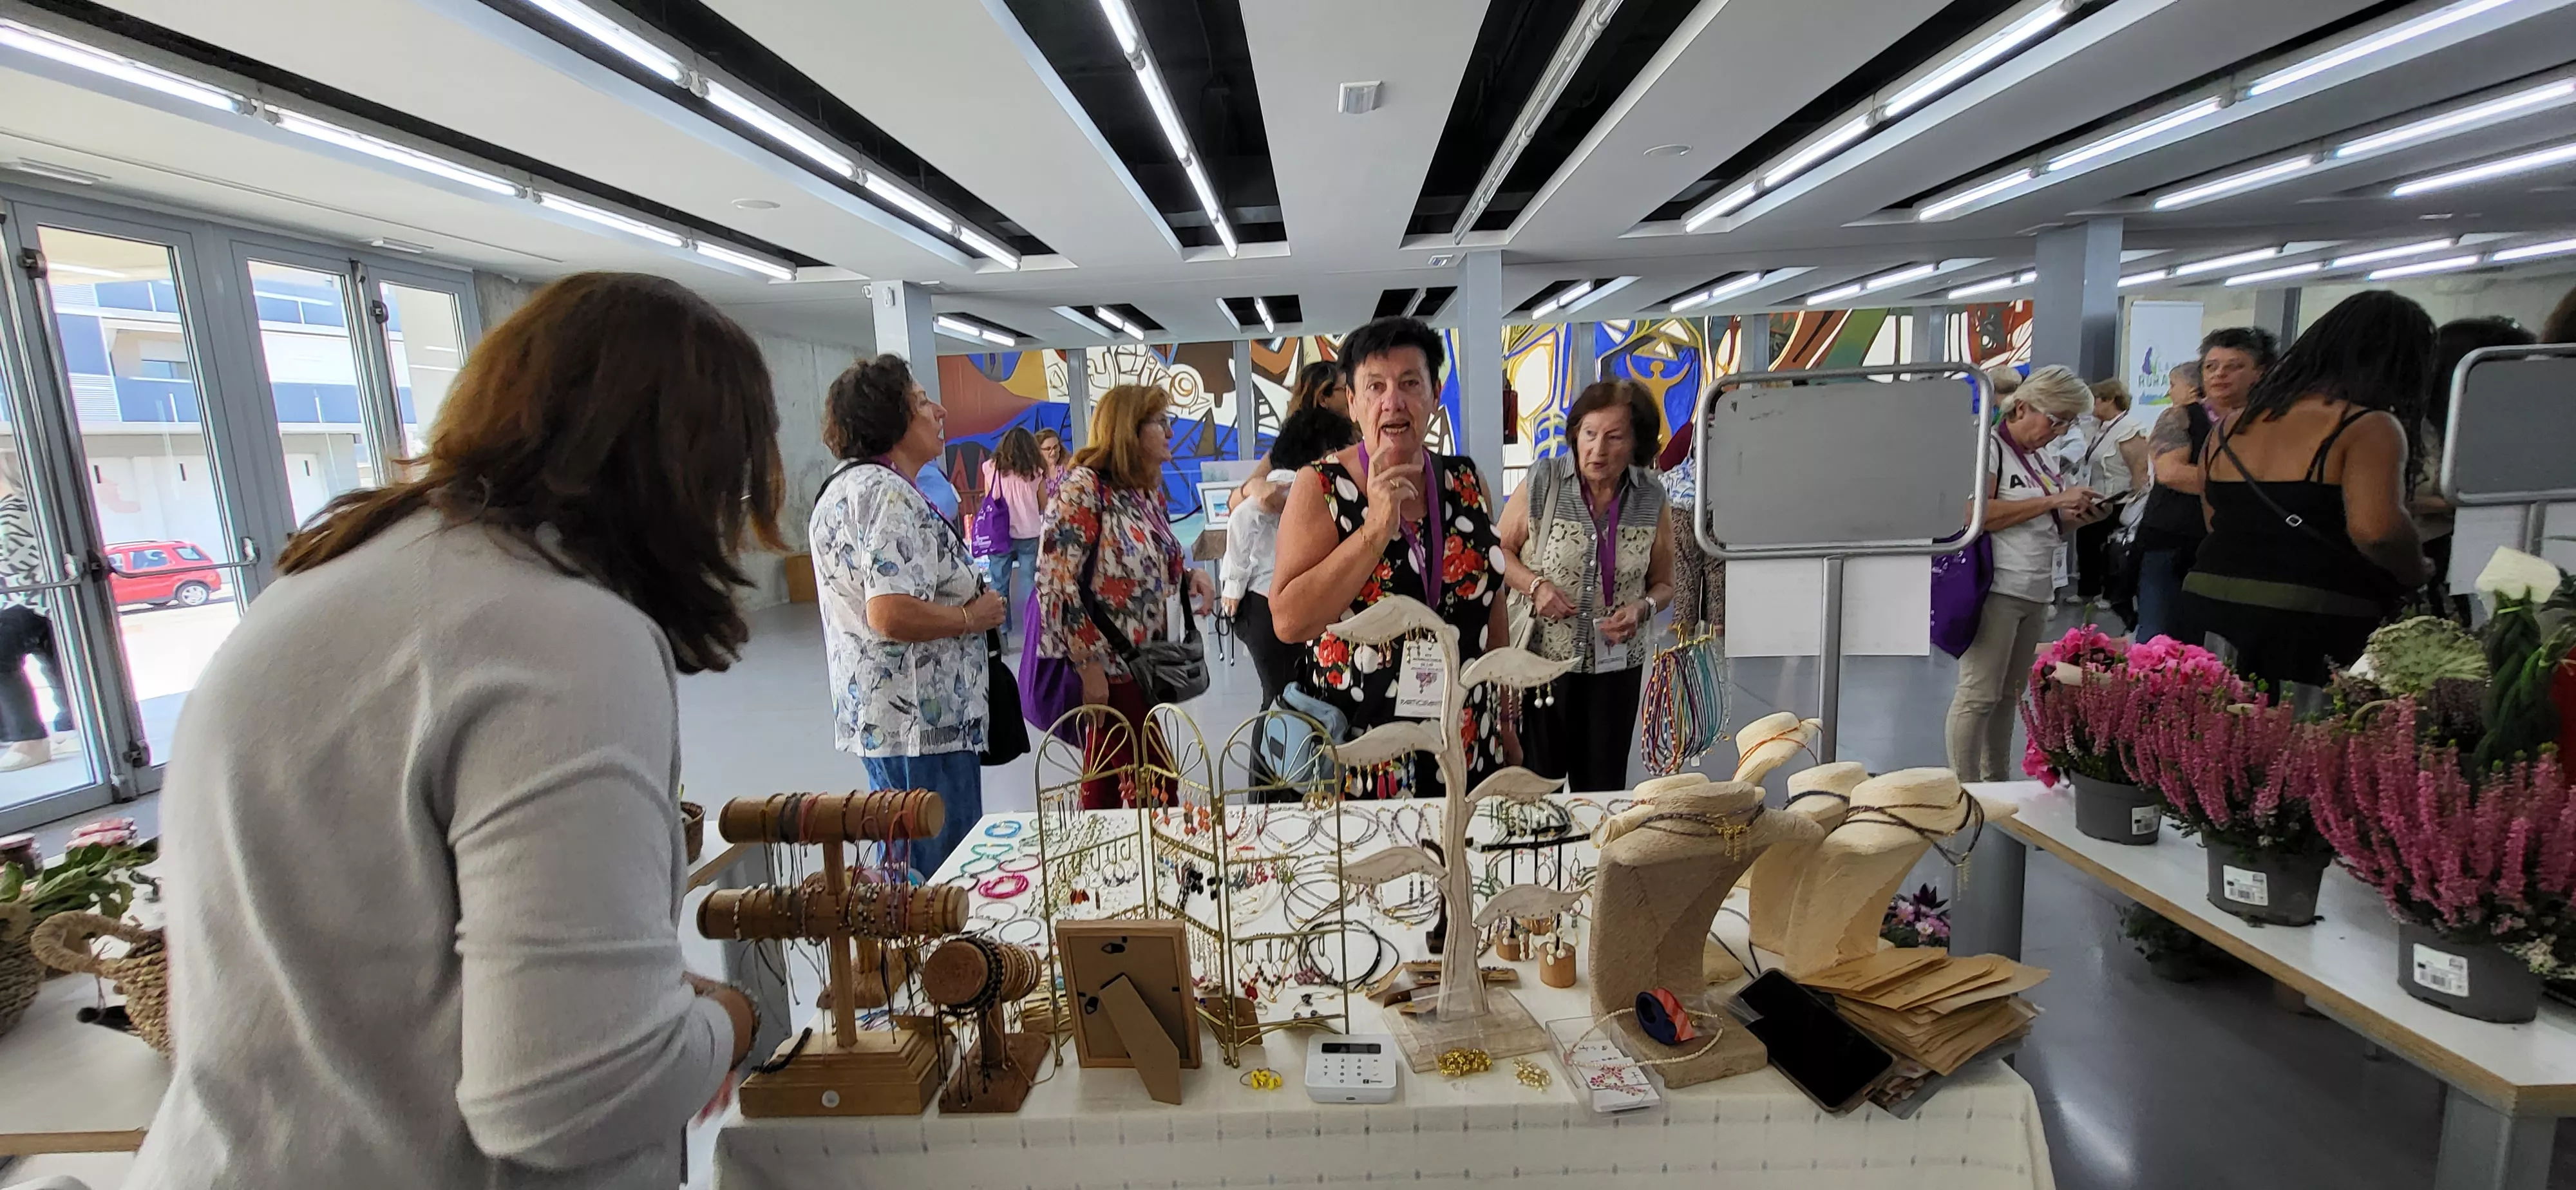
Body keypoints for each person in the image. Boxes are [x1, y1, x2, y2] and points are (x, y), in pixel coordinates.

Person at [131, 273, 764, 1189]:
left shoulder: (329, 579)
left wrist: (645, 1003)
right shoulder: (559, 630)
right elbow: (568, 1100)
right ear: (688, 468)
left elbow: (385, 954)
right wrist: (730, 1023)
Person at [1271, 317, 1515, 796]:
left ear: (1435, 393)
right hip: (1364, 747)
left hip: (1464, 733)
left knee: (1461, 864)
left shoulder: (1466, 481)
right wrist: (1375, 531)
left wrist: (1507, 717)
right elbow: (1288, 621)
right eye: (1375, 386)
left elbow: (1494, 601)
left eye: (1409, 383)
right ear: (1355, 403)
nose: (1393, 401)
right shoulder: (1320, 486)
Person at [2177, 292, 2434, 688]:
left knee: (2217, 732)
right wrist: (2416, 569)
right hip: (2316, 613)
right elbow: (2376, 531)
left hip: (2210, 600)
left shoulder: (2231, 425)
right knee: (2304, 739)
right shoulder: (2367, 426)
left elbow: (2217, 519)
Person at [811, 355, 1006, 877]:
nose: (939, 410)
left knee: (905, 865)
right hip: (923, 725)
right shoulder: (887, 496)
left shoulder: (843, 489)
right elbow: (889, 613)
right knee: (942, 873)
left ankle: (914, 958)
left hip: (888, 721)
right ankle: (940, 960)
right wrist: (973, 617)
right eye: (922, 402)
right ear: (890, 418)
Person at [1035, 383, 1213, 808]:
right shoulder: (1083, 488)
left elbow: (1149, 557)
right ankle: (1122, 867)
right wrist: (1088, 665)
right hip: (1111, 669)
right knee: (1143, 788)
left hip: (1146, 664)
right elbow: (1055, 584)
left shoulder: (1145, 490)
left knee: (1131, 783)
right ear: (1129, 430)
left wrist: (1188, 577)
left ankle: (1119, 866)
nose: (1170, 432)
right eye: (1161, 423)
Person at [1497, 379, 1674, 793]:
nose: (1598, 449)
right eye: (1590, 434)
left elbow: (1665, 584)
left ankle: (1596, 856)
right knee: (1539, 785)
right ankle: (1541, 857)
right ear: (1575, 433)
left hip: (1616, 666)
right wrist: (1535, 585)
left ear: (1636, 443)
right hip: (1543, 663)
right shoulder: (1544, 482)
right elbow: (1498, 552)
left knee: (1604, 784)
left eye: (1614, 437)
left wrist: (1642, 609)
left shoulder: (1651, 498)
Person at [1945, 366, 2098, 782]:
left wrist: (2077, 515)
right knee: (1979, 693)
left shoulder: (2043, 457)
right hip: (1998, 586)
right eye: (2056, 419)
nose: (2059, 430)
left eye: (2068, 422)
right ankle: (1964, 785)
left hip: (2036, 586)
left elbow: (2045, 521)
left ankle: (1996, 779)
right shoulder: (1990, 448)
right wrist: (2053, 502)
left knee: (2009, 696)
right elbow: (1978, 515)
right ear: (2024, 407)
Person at [2130, 328, 2277, 641]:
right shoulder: (2181, 417)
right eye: (2211, 366)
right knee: (2160, 642)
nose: (2220, 374)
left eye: (2234, 366)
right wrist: (2255, 486)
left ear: (2259, 372)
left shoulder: (2273, 423)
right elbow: (2171, 472)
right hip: (2172, 544)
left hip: (2243, 548)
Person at [1221, 404, 1356, 709]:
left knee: (1282, 698)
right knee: (1283, 700)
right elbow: (1241, 518)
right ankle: (1272, 756)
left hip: (1267, 604)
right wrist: (1233, 583)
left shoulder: (1294, 480)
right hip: (1266, 606)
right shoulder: (1292, 483)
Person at [2417, 317, 2534, 618]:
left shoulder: (2493, 421)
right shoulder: (2413, 426)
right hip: (2423, 560)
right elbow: (2395, 497)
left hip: (2482, 551)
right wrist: (2459, 504)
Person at [0, 471, 71, 771]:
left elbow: (14, 565)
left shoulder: (12, 512)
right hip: (50, 602)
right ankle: (72, 726)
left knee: (4, 663)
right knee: (55, 662)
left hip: (23, 601)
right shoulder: (37, 507)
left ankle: (28, 739)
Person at [2075, 378, 2150, 619]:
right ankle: (2087, 589)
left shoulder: (2128, 427)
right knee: (2086, 542)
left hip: (2120, 498)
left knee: (2112, 548)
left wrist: (2138, 501)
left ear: (2110, 400)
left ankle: (2111, 593)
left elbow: (2139, 467)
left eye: (2096, 400)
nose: (2092, 406)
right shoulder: (2096, 427)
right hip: (2094, 495)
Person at [978, 427, 1048, 639]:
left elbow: (987, 497)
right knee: (1029, 582)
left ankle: (1002, 632)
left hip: (1000, 535)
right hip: (1030, 534)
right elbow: (1043, 504)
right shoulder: (1036, 471)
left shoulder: (991, 468)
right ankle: (1031, 630)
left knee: (999, 583)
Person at [1035, 426, 1070, 495]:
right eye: (1048, 449)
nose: (1053, 452)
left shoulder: (1069, 467)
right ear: (1039, 451)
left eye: (1056, 447)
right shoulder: (1035, 474)